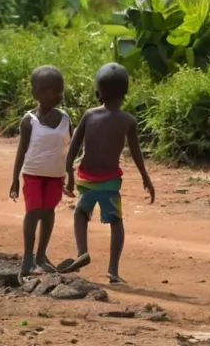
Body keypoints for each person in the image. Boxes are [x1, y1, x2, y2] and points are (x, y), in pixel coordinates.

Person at [59, 62, 154, 284]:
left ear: (97, 93)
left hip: (88, 179)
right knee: (116, 222)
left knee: (80, 214)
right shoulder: (128, 120)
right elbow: (137, 152)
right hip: (111, 182)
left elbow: (73, 147)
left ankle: (82, 251)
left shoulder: (89, 115)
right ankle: (113, 270)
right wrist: (145, 177)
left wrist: (69, 174)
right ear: (125, 93)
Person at [9, 65, 72, 278]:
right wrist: (15, 179)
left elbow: (69, 149)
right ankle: (28, 257)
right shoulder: (29, 121)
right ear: (35, 93)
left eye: (58, 90)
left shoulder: (65, 119)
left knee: (48, 212)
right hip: (33, 174)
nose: (55, 95)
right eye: (48, 90)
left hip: (55, 176)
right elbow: (21, 150)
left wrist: (70, 176)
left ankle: (41, 256)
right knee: (33, 212)